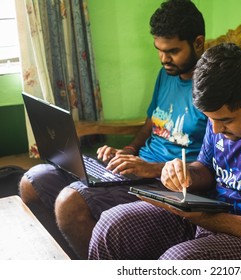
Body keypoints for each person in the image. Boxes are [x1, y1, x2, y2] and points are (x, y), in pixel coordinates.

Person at [88, 43, 241, 260]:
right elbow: (205, 168)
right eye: (210, 119)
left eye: (224, 121)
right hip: (213, 212)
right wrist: (182, 173)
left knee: (179, 262)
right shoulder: (220, 115)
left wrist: (205, 218)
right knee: (113, 224)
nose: (215, 128)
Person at [18, 0, 207, 259]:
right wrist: (126, 151)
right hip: (136, 168)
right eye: (159, 50)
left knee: (69, 203)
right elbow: (151, 124)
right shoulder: (167, 74)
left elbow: (212, 166)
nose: (164, 59)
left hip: (164, 182)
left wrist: (151, 168)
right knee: (33, 181)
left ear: (198, 43)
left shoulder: (212, 90)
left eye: (172, 51)